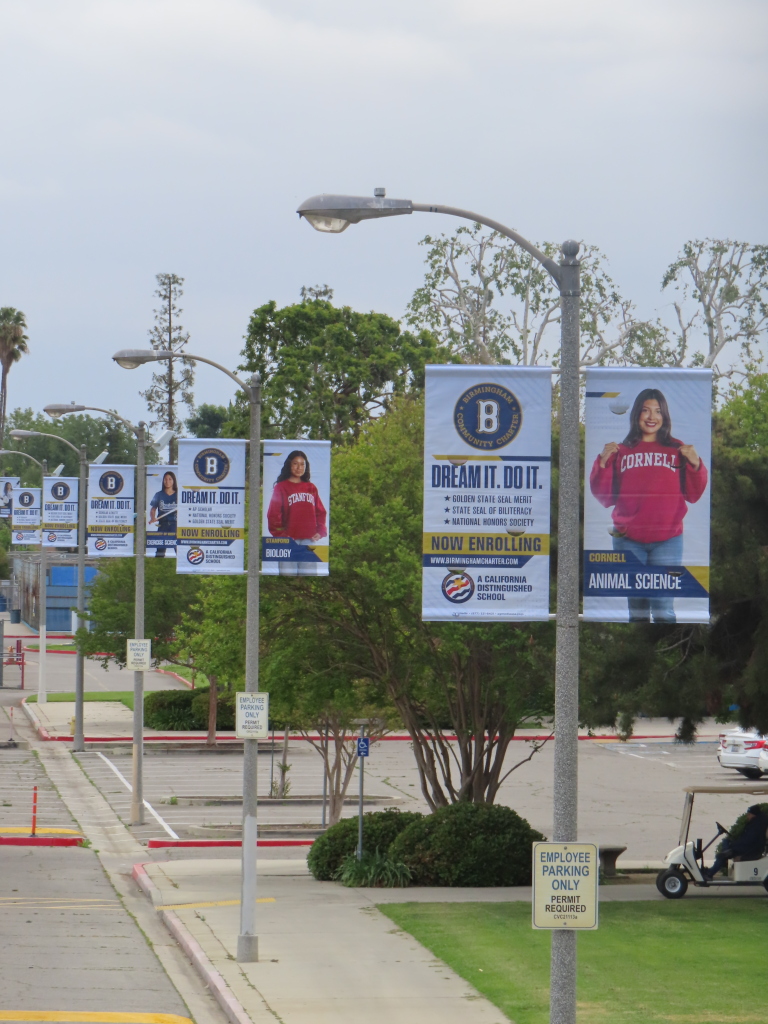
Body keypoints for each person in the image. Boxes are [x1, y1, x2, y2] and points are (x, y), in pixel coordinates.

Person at [589, 388, 708, 622]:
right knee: (638, 609)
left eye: (657, 411)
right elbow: (604, 498)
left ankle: (666, 657)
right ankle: (638, 658)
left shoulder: (677, 450)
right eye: (645, 410)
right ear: (636, 415)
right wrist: (602, 462)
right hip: (627, 541)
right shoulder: (620, 452)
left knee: (663, 609)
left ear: (665, 416)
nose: (651, 417)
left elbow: (693, 495)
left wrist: (696, 464)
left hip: (668, 541)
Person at [267, 450, 327, 576]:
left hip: (308, 540)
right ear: (289, 465)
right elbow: (273, 514)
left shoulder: (311, 487)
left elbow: (320, 512)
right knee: (288, 581)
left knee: (308, 579)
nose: (299, 467)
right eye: (295, 463)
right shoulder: (281, 487)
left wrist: (320, 530)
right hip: (288, 541)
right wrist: (281, 535)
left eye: (302, 464)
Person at [703, 805, 768, 879]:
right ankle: (724, 856)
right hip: (748, 847)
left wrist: (734, 844)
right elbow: (747, 839)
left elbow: (748, 841)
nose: (747, 817)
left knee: (724, 851)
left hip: (749, 850)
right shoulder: (756, 823)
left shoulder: (756, 826)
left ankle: (710, 873)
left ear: (754, 815)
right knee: (726, 842)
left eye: (749, 814)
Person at [148, 471, 177, 558]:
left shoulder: (179, 494)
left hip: (175, 525)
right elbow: (153, 509)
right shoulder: (159, 494)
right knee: (160, 550)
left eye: (170, 479)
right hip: (163, 525)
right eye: (165, 479)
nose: (167, 481)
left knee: (178, 548)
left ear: (173, 481)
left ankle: (182, 569)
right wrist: (153, 517)